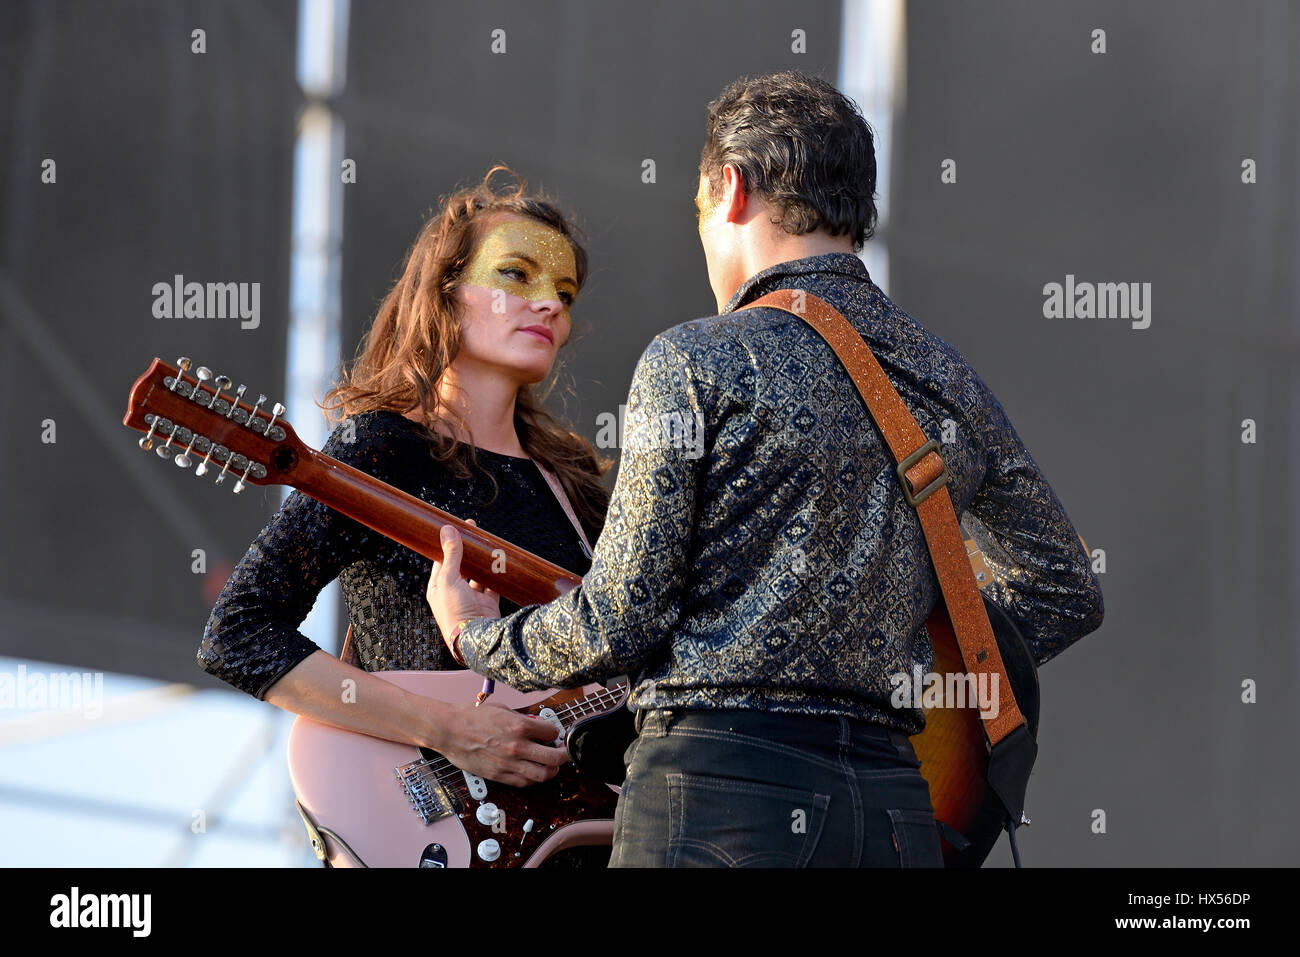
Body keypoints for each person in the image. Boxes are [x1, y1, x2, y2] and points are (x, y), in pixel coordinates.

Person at [427, 71, 1105, 868]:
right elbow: (1065, 584)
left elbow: (621, 618)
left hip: (718, 798)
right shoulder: (945, 376)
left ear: (731, 187)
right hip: (896, 812)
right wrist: (917, 658)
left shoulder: (695, 360)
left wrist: (478, 637)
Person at [199, 166, 613, 863]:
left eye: (564, 293)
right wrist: (449, 729)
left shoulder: (579, 494)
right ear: (447, 293)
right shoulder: (382, 448)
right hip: (430, 823)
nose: (549, 305)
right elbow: (239, 635)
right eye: (516, 274)